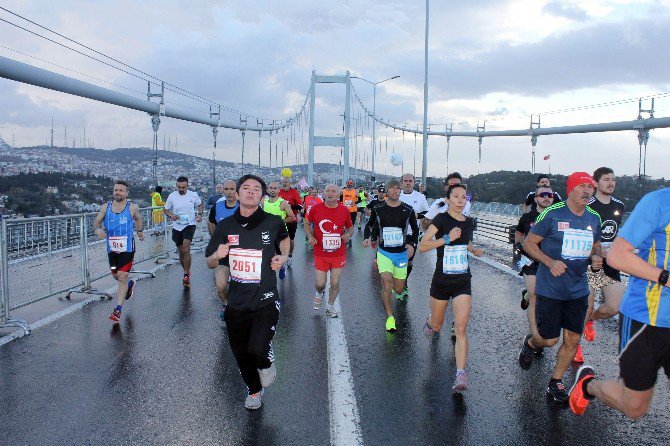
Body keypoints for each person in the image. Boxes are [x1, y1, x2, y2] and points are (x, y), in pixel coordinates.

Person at [568, 187, 670, 419]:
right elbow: (617, 255)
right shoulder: (658, 202)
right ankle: (588, 385)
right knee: (634, 408)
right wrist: (665, 277)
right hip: (647, 318)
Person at [205, 174, 289, 410]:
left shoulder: (273, 221)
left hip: (265, 298)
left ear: (261, 196)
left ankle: (265, 360)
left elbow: (284, 240)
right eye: (246, 188)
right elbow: (210, 262)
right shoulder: (225, 226)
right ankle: (253, 391)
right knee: (241, 352)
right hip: (236, 302)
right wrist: (218, 255)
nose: (250, 191)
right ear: (237, 193)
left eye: (256, 189)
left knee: (257, 348)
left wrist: (282, 256)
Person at [519, 172, 602, 403]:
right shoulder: (552, 214)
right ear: (570, 189)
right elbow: (528, 243)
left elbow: (596, 246)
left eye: (590, 187)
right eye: (582, 186)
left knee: (573, 340)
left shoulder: (593, 218)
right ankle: (529, 343)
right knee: (548, 340)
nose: (587, 191)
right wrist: (549, 262)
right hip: (551, 289)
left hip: (578, 290)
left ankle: (555, 382)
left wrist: (596, 258)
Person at [419, 183, 483, 392]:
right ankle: (431, 322)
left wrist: (474, 250)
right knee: (437, 326)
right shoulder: (441, 220)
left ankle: (461, 374)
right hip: (442, 281)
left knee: (461, 327)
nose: (460, 200)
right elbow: (422, 246)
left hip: (462, 280)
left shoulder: (469, 222)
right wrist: (446, 239)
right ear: (448, 200)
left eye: (463, 196)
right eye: (456, 196)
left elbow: (467, 242)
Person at [576, 167, 626, 363]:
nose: (611, 183)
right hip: (587, 262)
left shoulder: (619, 205)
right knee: (584, 307)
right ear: (596, 183)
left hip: (610, 262)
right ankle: (576, 345)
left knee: (614, 307)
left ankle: (591, 320)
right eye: (606, 179)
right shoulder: (587, 205)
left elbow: (617, 233)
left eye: (613, 179)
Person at [363, 178, 419, 332]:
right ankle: (390, 317)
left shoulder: (408, 209)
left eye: (397, 188)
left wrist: (411, 244)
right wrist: (367, 238)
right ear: (386, 191)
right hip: (384, 253)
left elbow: (415, 230)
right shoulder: (378, 208)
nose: (395, 190)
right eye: (392, 188)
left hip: (401, 254)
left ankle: (395, 289)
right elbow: (371, 224)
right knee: (387, 283)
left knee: (399, 289)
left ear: (400, 190)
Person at [93, 180, 144, 323]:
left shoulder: (132, 207)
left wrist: (139, 231)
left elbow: (139, 219)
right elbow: (96, 222)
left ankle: (117, 310)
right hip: (112, 248)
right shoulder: (105, 207)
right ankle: (129, 285)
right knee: (116, 275)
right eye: (116, 190)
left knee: (122, 275)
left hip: (127, 247)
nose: (118, 192)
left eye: (121, 190)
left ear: (127, 193)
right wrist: (97, 230)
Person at [514, 186, 555, 351]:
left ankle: (542, 327)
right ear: (536, 198)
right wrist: (518, 250)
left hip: (550, 263)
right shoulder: (527, 217)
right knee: (534, 297)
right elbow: (518, 234)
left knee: (546, 299)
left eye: (549, 195)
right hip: (530, 262)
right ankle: (535, 335)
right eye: (542, 195)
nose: (546, 198)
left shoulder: (557, 216)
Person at [304, 184, 354, 317]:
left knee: (334, 282)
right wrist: (310, 236)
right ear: (323, 193)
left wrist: (348, 235)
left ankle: (330, 306)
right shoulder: (315, 209)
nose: (330, 193)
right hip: (320, 252)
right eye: (328, 191)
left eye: (333, 191)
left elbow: (350, 227)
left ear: (338, 195)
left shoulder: (344, 210)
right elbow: (306, 223)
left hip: (339, 253)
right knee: (320, 283)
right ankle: (319, 293)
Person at [207, 179, 239, 321]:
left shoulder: (245, 205)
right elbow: (211, 222)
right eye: (226, 189)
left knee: (242, 287)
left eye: (232, 189)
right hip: (223, 252)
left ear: (237, 190)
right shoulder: (217, 206)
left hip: (241, 252)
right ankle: (226, 305)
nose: (229, 192)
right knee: (220, 286)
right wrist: (215, 240)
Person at [163, 176, 203, 288]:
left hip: (190, 225)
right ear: (176, 186)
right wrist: (171, 215)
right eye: (179, 187)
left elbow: (199, 204)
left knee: (186, 248)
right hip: (177, 227)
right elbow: (165, 209)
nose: (181, 189)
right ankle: (186, 271)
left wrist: (199, 214)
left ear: (187, 186)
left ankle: (186, 274)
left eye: (183, 187)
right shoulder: (172, 196)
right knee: (181, 252)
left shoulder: (193, 195)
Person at [397, 173, 429, 301]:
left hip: (412, 233)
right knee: (398, 261)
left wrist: (416, 216)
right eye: (405, 181)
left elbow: (427, 213)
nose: (408, 183)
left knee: (409, 261)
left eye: (410, 181)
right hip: (396, 234)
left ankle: (403, 283)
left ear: (414, 183)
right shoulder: (396, 195)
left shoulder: (420, 197)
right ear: (401, 182)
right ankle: (399, 284)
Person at [262, 181, 296, 279]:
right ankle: (267, 274)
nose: (273, 190)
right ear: (268, 189)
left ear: (278, 190)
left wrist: (280, 222)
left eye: (275, 188)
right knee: (267, 254)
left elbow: (292, 217)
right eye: (271, 188)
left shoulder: (283, 203)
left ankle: (282, 267)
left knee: (280, 253)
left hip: (280, 233)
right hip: (267, 233)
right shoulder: (264, 202)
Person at [278, 177, 303, 266]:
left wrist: (288, 207)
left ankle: (290, 256)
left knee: (291, 240)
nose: (284, 183)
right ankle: (282, 256)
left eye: (286, 182)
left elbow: (300, 206)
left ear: (290, 183)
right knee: (281, 239)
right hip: (280, 220)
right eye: (283, 182)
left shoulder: (294, 192)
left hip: (291, 220)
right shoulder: (279, 192)